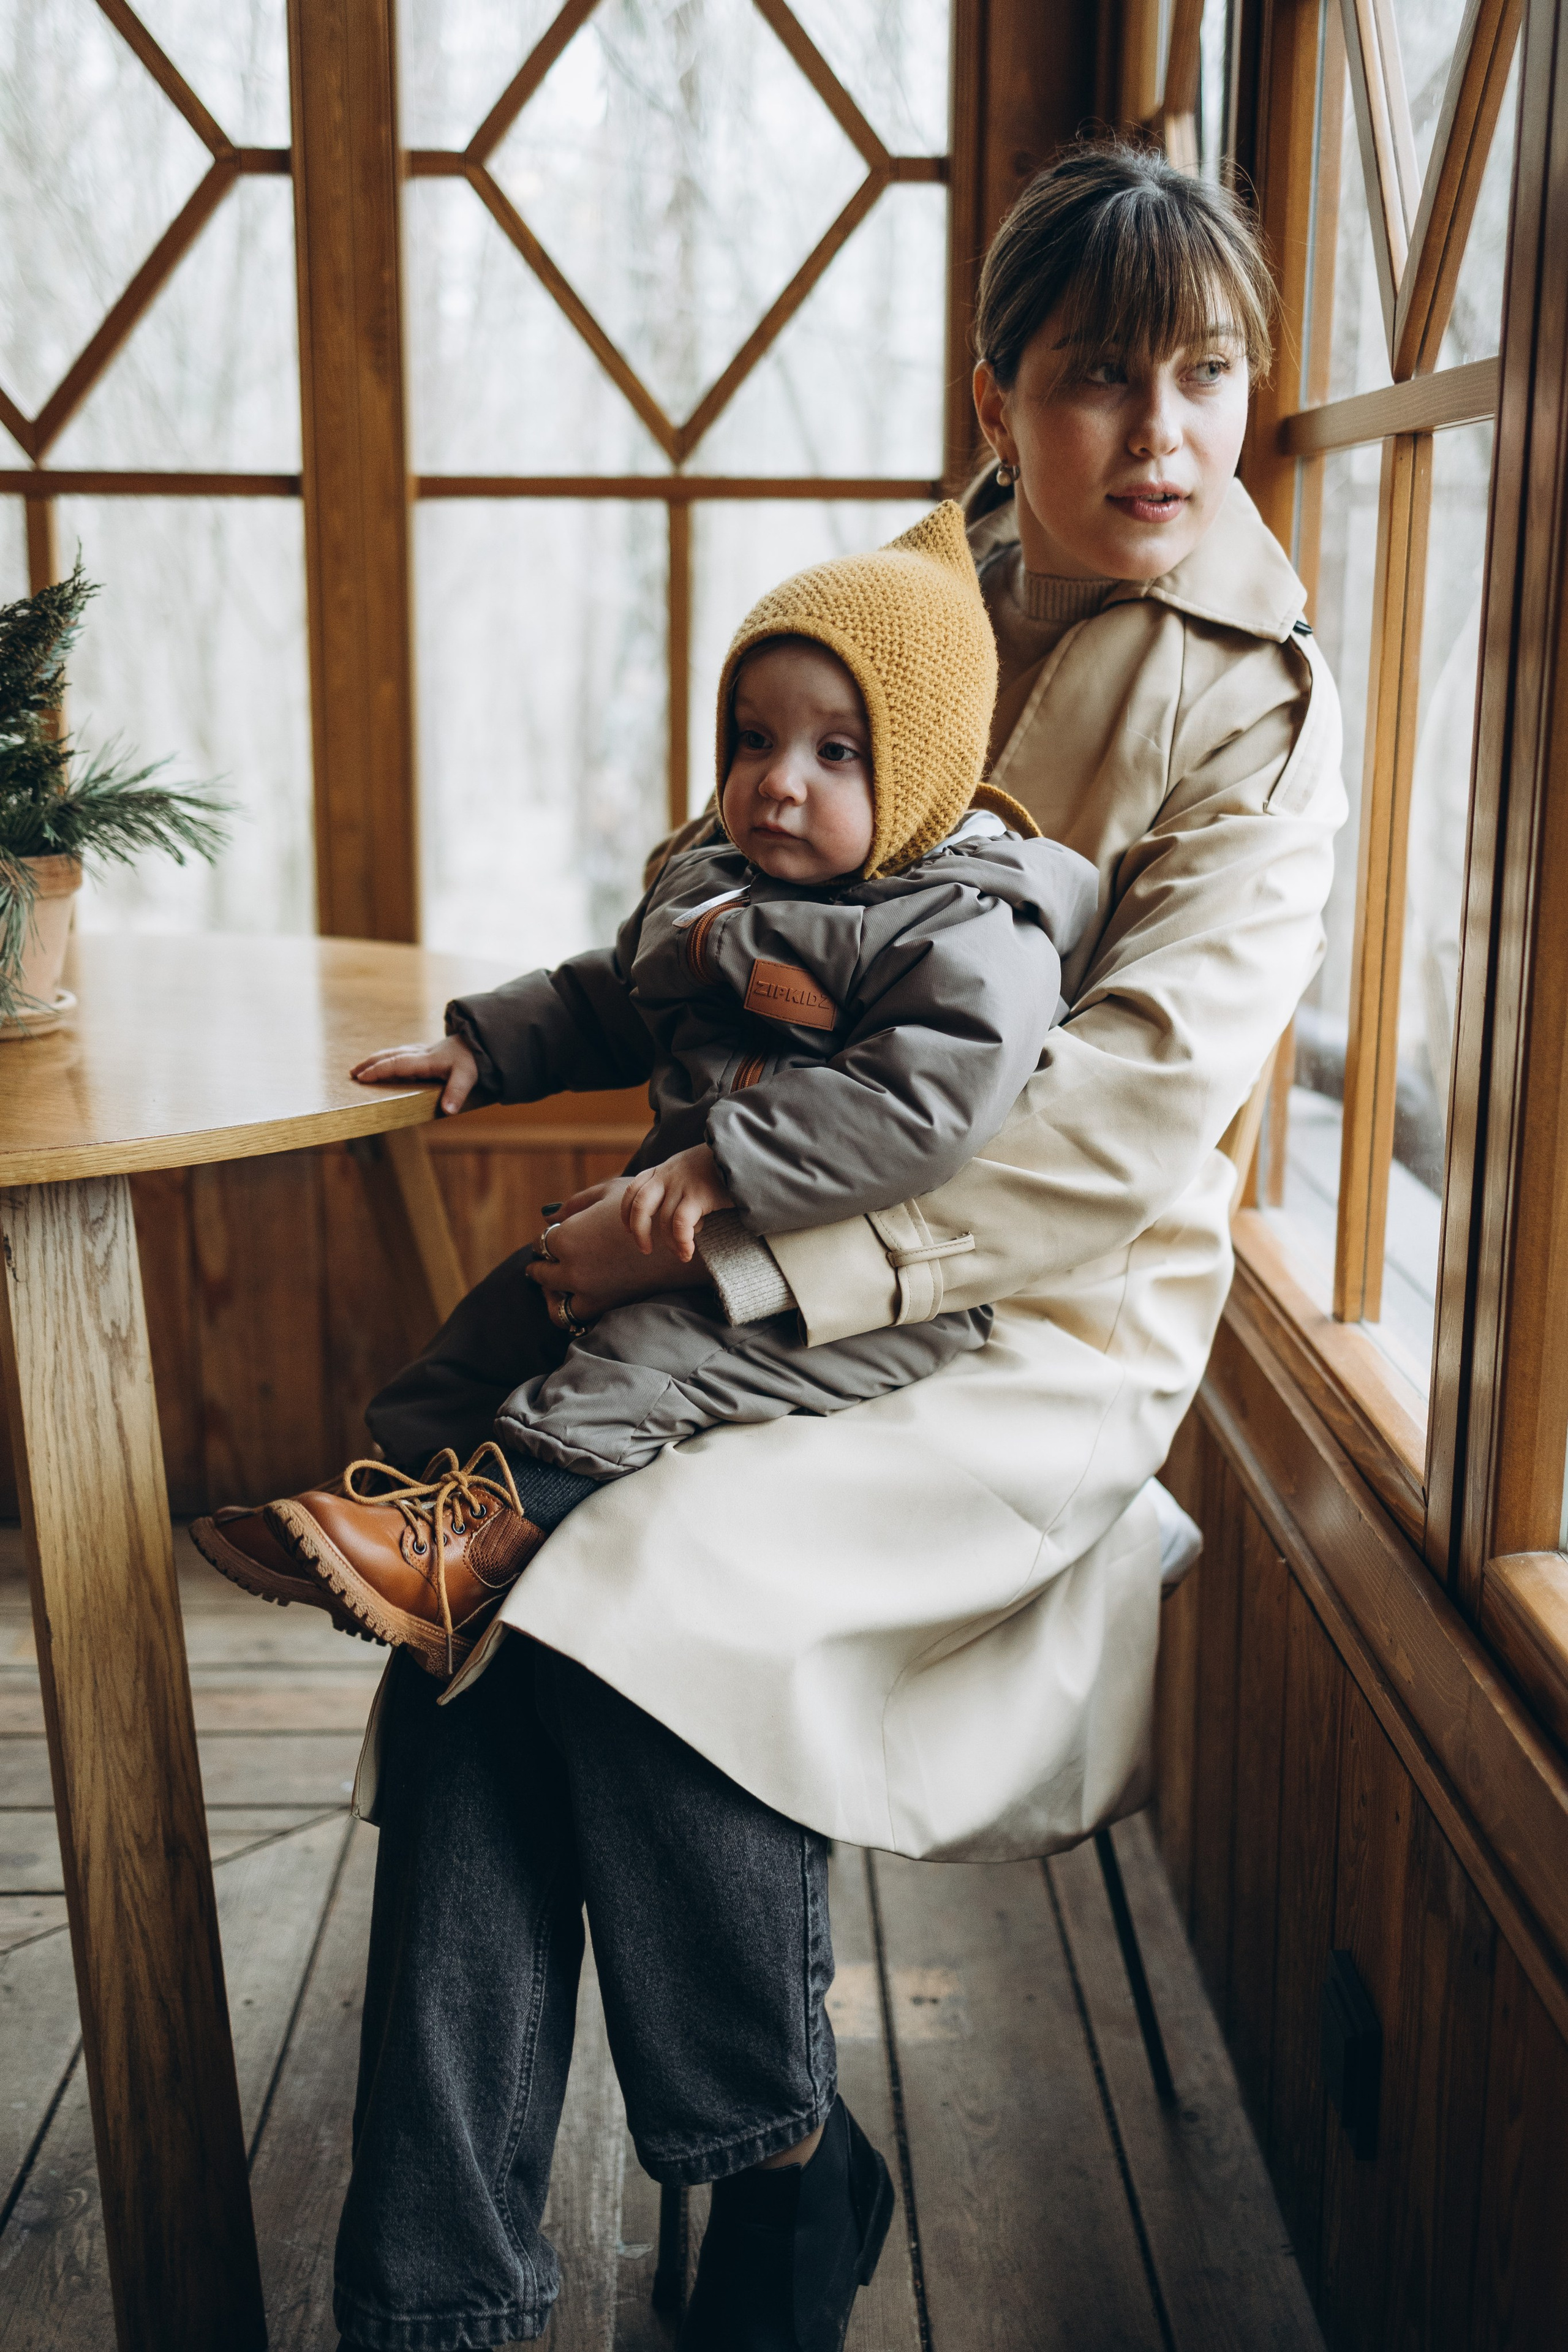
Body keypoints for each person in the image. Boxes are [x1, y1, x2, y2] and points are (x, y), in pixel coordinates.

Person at [210, 141, 1349, 2352]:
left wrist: (723, 1213)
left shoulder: (1261, 702)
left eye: (1208, 373)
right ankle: (431, 2305)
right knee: (467, 1637)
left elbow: (1111, 1133)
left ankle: (782, 2183)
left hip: (1027, 1327)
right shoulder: (923, 578)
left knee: (600, 1600)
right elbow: (711, 859)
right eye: (1106, 377)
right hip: (747, 1250)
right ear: (997, 388)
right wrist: (619, 1016)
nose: (1168, 434)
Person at [199, 507, 1098, 1679]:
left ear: (922, 770)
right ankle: (397, 1517)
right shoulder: (715, 878)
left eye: (838, 754)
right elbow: (613, 996)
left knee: (647, 1357)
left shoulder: (970, 928)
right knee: (497, 1322)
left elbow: (922, 1108)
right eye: (752, 739)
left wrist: (725, 1162)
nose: (777, 784)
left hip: (845, 1291)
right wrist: (489, 1045)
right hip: (680, 1228)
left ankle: (472, 1545)